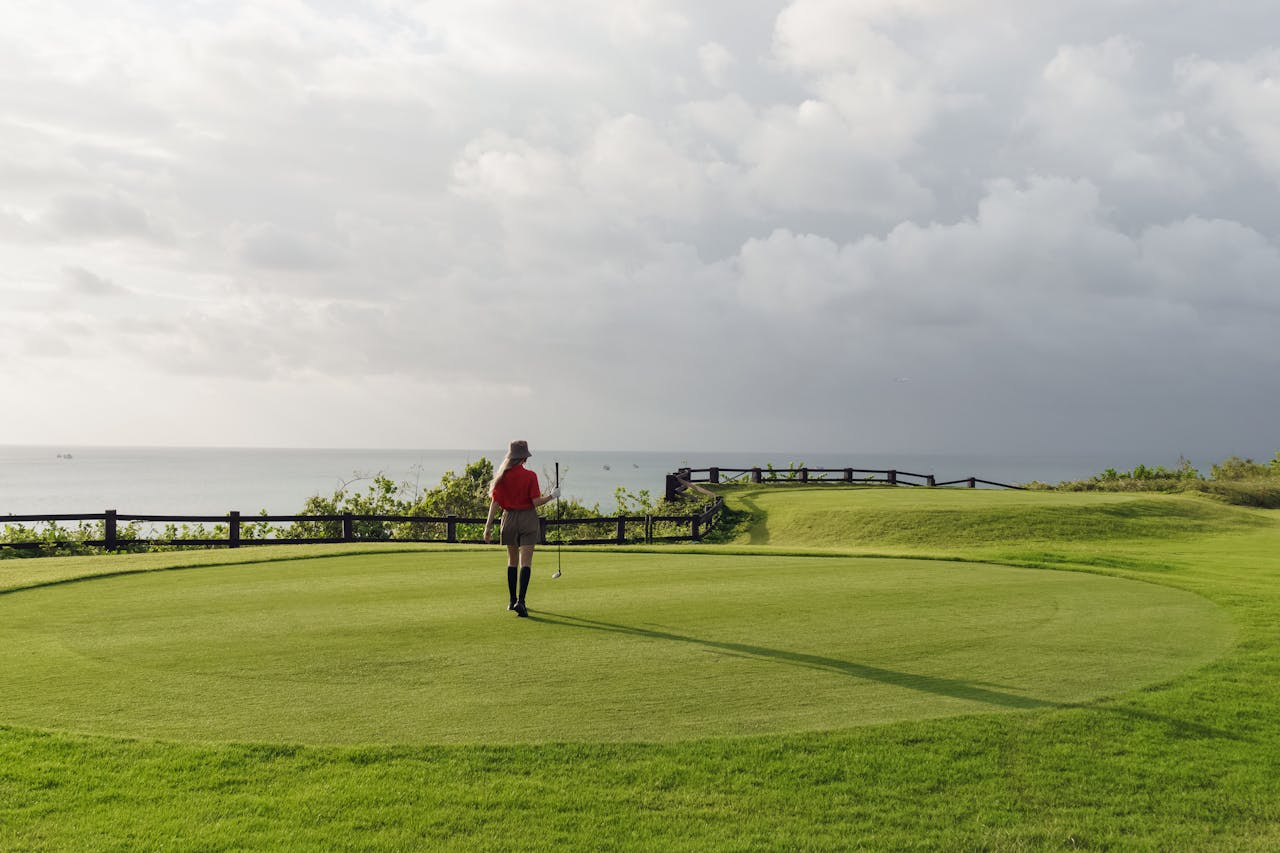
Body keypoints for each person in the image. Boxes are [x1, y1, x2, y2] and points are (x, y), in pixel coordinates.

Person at [484, 440, 559, 617]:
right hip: (527, 518)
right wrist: (552, 496)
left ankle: (511, 601)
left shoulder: (502, 477)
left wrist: (487, 527)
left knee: (512, 561)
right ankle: (521, 601)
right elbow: (536, 502)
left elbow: (494, 503)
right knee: (526, 562)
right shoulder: (530, 476)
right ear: (524, 457)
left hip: (508, 518)